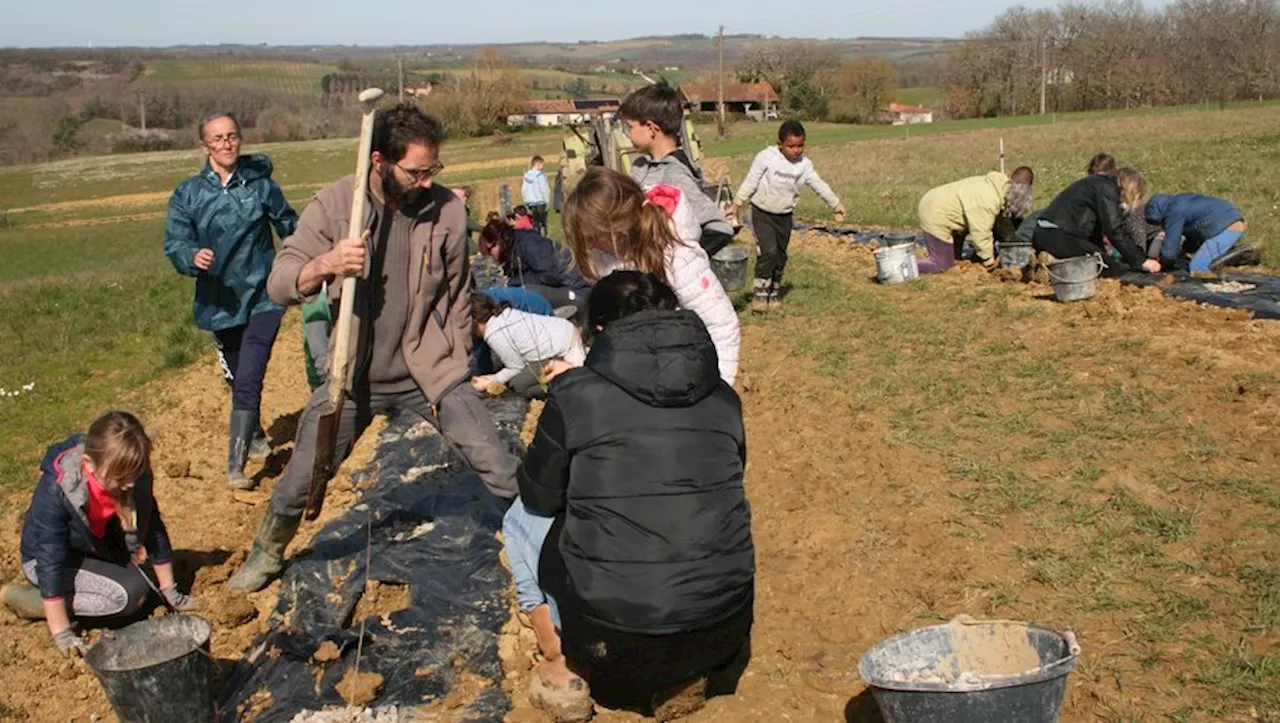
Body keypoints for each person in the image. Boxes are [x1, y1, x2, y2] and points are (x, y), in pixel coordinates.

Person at [226, 104, 520, 593]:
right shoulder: (337, 205)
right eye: (417, 171)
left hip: (428, 371)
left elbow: (458, 291)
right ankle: (267, 552)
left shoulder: (446, 209)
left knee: (492, 455)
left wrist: (456, 357)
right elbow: (280, 283)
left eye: (434, 170)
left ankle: (546, 530)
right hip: (353, 377)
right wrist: (327, 263)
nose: (428, 181)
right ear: (380, 160)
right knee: (303, 476)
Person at [510, 270, 753, 719]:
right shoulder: (722, 397)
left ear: (599, 331)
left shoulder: (576, 394)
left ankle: (558, 660)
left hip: (612, 640)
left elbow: (541, 497)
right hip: (722, 630)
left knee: (519, 515)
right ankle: (684, 677)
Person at [163, 111, 298, 490]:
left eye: (232, 136)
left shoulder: (261, 186)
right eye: (218, 138)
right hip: (219, 301)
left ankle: (235, 466)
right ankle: (253, 432)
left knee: (251, 373)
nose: (226, 144)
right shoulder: (188, 194)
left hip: (264, 295)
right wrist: (192, 256)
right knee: (238, 377)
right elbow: (175, 242)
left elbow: (290, 225)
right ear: (204, 145)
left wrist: (320, 248)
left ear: (240, 140)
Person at [3, 411, 199, 657]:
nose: (129, 484)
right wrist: (62, 631)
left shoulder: (133, 470)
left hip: (95, 550)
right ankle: (25, 599)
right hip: (48, 561)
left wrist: (170, 590)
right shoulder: (58, 489)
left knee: (145, 593)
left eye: (135, 475)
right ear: (88, 465)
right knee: (127, 597)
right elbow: (49, 558)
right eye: (121, 479)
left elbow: (153, 526)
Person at [563, 168, 740, 386]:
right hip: (640, 369)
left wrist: (719, 387)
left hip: (680, 367)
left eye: (594, 238)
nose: (591, 246)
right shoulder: (607, 257)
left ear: (618, 228)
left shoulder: (677, 259)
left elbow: (721, 325)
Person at [731, 120, 846, 312]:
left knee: (781, 255)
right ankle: (760, 293)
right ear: (780, 144)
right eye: (791, 146)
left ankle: (774, 289)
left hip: (784, 215)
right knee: (768, 251)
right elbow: (751, 180)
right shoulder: (766, 158)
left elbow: (819, 185)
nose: (796, 150)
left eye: (800, 145)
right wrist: (737, 203)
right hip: (762, 212)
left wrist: (836, 204)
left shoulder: (805, 166)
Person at [621, 81, 735, 256]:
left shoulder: (674, 175)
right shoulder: (641, 166)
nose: (627, 133)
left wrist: (676, 262)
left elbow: (720, 229)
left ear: (651, 128)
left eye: (630, 127)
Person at [1032, 165, 1159, 275]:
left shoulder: (1096, 184)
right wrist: (1140, 261)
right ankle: (1055, 267)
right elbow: (1114, 229)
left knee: (1102, 259)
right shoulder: (1107, 189)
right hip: (1059, 235)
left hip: (1047, 233)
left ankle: (1051, 260)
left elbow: (1095, 235)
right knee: (1106, 268)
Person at [916, 166, 1035, 275]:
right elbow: (980, 232)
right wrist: (988, 260)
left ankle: (953, 255)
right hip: (934, 211)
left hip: (948, 208)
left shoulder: (999, 187)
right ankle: (907, 265)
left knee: (954, 259)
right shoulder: (987, 200)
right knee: (941, 265)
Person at [470, 294, 585, 399]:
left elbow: (516, 367)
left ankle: (563, 379)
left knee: (518, 385)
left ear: (474, 321)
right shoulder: (503, 313)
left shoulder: (494, 334)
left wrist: (491, 381)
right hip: (567, 330)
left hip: (567, 348)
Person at [477, 216, 591, 312]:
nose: (490, 256)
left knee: (524, 292)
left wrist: (515, 282)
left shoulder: (528, 243)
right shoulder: (512, 251)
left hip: (575, 289)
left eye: (490, 250)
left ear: (498, 241)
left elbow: (550, 275)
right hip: (561, 285)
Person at [1144, 193, 1255, 272]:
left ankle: (1237, 255)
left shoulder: (1173, 212)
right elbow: (1194, 234)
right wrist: (1184, 251)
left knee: (1197, 267)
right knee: (1203, 256)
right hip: (1230, 222)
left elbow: (1170, 251)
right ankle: (1224, 252)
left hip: (1226, 228)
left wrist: (1161, 264)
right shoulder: (1179, 202)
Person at [521, 156, 552, 236]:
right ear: (538, 164)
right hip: (541, 201)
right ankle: (544, 237)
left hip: (531, 202)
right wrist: (547, 200)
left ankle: (536, 236)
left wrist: (525, 200)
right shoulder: (541, 176)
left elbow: (524, 189)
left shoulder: (526, 176)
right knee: (543, 222)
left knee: (534, 222)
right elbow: (544, 189)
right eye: (542, 165)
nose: (543, 167)